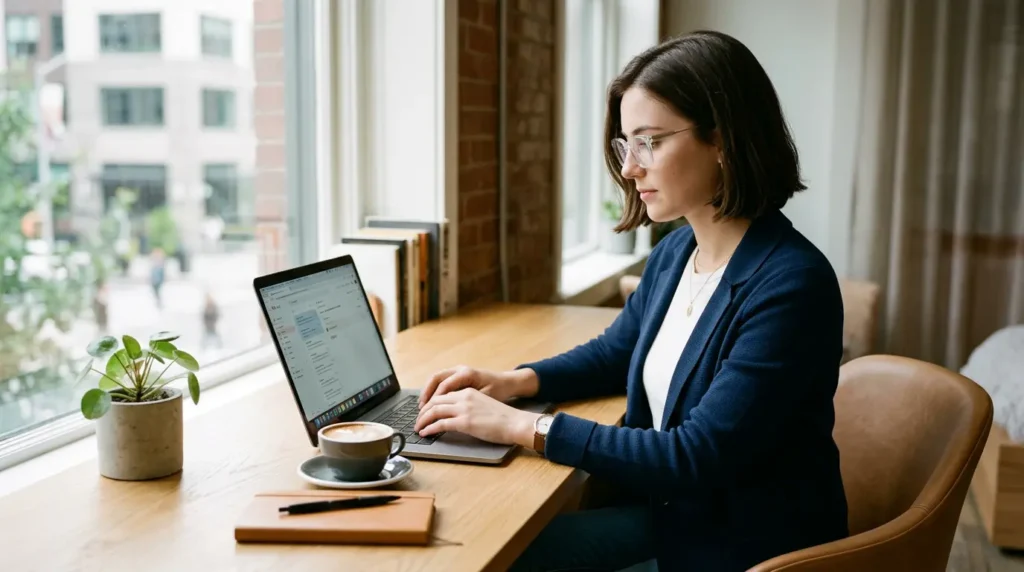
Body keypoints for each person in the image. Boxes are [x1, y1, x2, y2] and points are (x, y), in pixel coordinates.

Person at [414, 30, 849, 572]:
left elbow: (696, 455)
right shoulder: (677, 252)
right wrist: (514, 381)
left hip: (739, 546)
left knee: (504, 559)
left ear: (723, 139)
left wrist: (520, 427)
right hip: (677, 517)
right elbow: (617, 352)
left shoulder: (791, 285)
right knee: (493, 553)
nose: (629, 168)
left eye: (651, 142)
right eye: (626, 144)